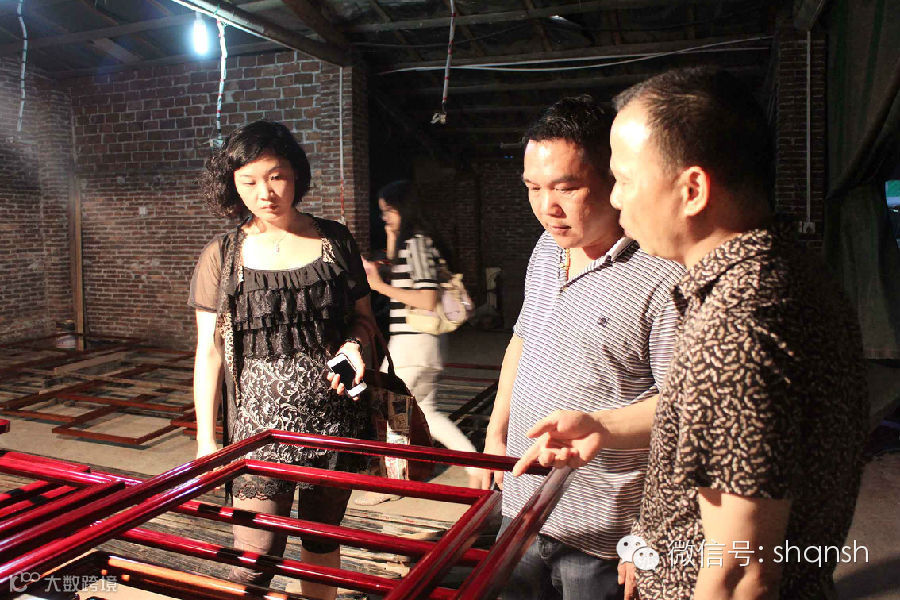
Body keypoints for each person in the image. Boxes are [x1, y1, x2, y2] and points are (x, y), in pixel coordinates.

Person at [513, 67, 869, 600]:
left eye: (625, 180)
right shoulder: (777, 270)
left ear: (693, 189)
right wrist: (604, 425)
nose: (616, 200)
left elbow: (741, 572)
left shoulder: (739, 321)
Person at [480, 95, 685, 600]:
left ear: (613, 180)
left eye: (566, 188)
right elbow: (523, 338)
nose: (546, 208)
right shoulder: (546, 249)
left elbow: (684, 411)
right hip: (523, 505)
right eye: (533, 188)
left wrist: (652, 531)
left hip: (603, 534)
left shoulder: (662, 274)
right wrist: (495, 433)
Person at [189, 120, 378, 600]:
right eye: (248, 181)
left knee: (322, 545)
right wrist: (207, 438)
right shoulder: (223, 255)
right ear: (232, 185)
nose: (265, 193)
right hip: (257, 434)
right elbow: (209, 352)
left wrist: (355, 344)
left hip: (332, 424)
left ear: (296, 175)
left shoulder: (335, 241)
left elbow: (364, 320)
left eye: (276, 177)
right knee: (254, 560)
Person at [360, 180, 481, 502]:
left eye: (389, 210)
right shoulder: (417, 243)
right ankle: (477, 466)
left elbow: (427, 299)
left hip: (411, 345)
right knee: (428, 412)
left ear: (405, 209)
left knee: (391, 414)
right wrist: (390, 236)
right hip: (425, 345)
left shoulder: (416, 244)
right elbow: (399, 267)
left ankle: (391, 487)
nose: (384, 217)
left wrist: (378, 286)